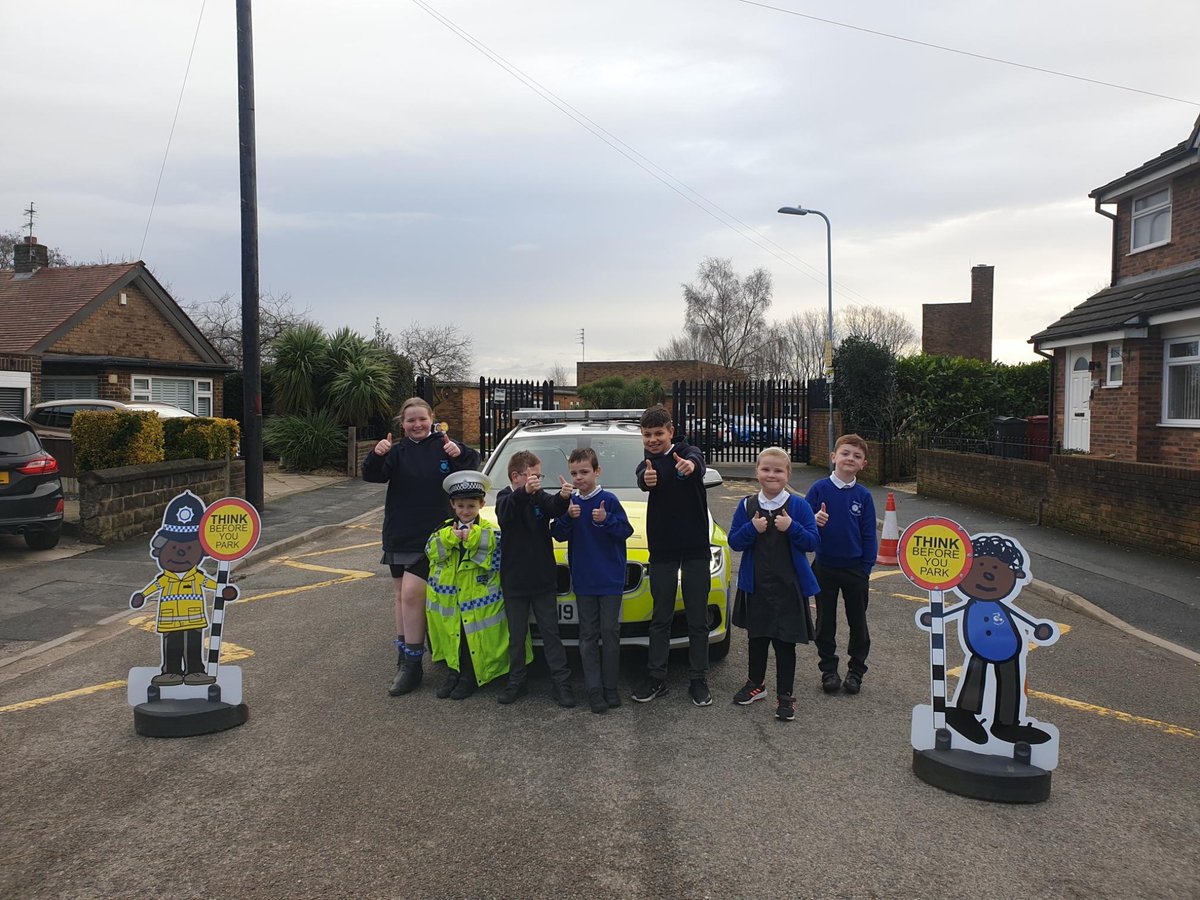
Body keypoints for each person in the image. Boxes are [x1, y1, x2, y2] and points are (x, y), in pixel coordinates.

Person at [362, 398, 480, 697]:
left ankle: (425, 662)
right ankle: (407, 660)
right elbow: (372, 475)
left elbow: (471, 469)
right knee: (403, 596)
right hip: (402, 533)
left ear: (433, 420)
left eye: (422, 420)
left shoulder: (445, 446)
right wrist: (376, 454)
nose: (416, 425)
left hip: (438, 535)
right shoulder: (397, 451)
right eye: (410, 421)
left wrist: (461, 451)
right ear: (402, 424)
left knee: (421, 594)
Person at [727, 448, 820, 721]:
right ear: (757, 471)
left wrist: (791, 526)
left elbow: (812, 543)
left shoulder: (799, 506)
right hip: (756, 585)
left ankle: (786, 696)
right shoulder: (746, 505)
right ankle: (756, 684)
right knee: (757, 639)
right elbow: (735, 542)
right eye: (766, 469)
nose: (771, 475)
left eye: (778, 470)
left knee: (784, 643)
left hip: (788, 587)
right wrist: (751, 529)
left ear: (787, 474)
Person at [632, 404, 713, 707]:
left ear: (671, 432)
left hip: (695, 548)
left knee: (697, 617)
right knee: (660, 616)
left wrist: (690, 466)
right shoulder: (647, 464)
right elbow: (643, 477)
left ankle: (698, 678)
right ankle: (656, 677)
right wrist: (645, 480)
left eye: (658, 433)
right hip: (663, 549)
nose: (653, 440)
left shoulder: (688, 452)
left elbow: (697, 462)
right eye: (647, 435)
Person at [551, 448, 633, 714]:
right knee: (587, 635)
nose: (579, 478)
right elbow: (558, 533)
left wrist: (606, 519)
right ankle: (593, 690)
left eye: (584, 472)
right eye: (574, 473)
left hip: (609, 580)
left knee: (610, 633)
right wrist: (567, 516)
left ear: (597, 472)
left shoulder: (608, 500)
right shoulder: (570, 503)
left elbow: (625, 531)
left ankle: (611, 688)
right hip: (583, 581)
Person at [495, 450, 576, 708]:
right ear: (516, 476)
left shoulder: (538, 497)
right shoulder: (506, 497)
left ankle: (560, 682)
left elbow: (552, 506)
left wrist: (563, 497)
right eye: (535, 476)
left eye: (539, 476)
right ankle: (517, 681)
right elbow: (505, 513)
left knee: (551, 633)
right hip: (515, 581)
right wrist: (524, 493)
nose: (538, 481)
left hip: (542, 578)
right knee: (517, 636)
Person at [425, 470, 512, 700]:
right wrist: (449, 538)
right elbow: (431, 553)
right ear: (453, 505)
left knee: (471, 641)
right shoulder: (442, 530)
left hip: (476, 605)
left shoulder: (489, 532)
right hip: (452, 603)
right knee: (454, 639)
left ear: (481, 504)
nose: (466, 511)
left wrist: (472, 539)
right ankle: (454, 674)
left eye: (471, 506)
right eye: (461, 505)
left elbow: (493, 555)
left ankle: (470, 676)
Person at [804, 434, 878, 695]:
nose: (850, 458)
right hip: (824, 567)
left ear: (863, 464)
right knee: (825, 622)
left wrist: (866, 569)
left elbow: (869, 535)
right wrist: (814, 520)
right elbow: (802, 528)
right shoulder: (818, 489)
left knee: (858, 623)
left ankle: (856, 671)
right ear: (834, 457)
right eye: (845, 453)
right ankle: (829, 670)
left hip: (855, 570)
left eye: (857, 456)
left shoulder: (864, 496)